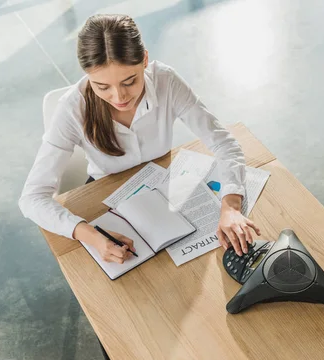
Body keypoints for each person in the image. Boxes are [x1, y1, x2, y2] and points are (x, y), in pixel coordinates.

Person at [19, 14, 260, 263]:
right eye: (102, 87)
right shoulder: (72, 109)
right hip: (107, 195)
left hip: (164, 182)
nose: (119, 96)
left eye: (129, 81)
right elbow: (32, 198)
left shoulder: (166, 81)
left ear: (144, 60)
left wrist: (230, 206)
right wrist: (90, 234)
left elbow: (223, 142)